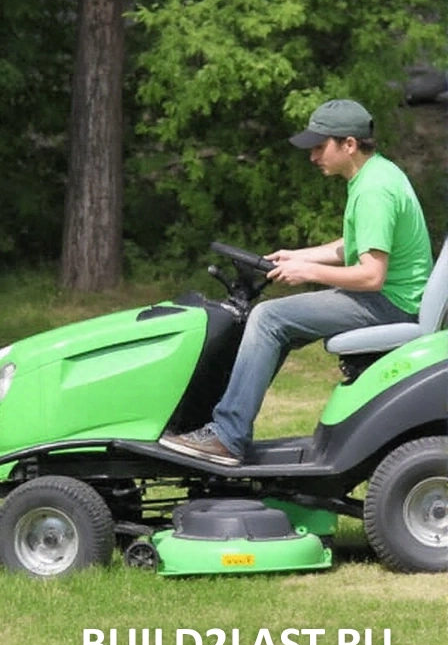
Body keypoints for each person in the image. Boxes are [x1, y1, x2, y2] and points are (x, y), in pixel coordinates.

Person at [160, 99, 433, 466]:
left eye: (320, 147)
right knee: (276, 323)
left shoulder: (373, 192)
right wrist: (297, 255)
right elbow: (350, 247)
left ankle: (227, 436)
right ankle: (222, 424)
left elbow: (371, 274)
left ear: (348, 144)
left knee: (268, 318)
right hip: (393, 298)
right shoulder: (376, 175)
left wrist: (308, 273)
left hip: (389, 304)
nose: (313, 156)